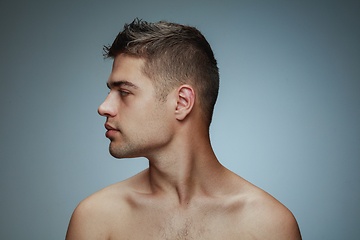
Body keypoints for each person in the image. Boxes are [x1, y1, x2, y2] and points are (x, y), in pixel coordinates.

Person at [66, 18, 302, 240]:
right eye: (110, 91)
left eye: (124, 92)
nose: (104, 107)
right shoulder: (96, 219)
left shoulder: (269, 226)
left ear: (182, 102)